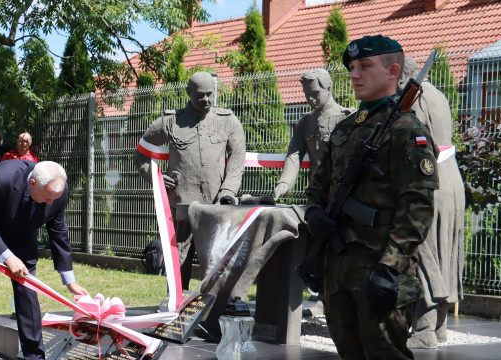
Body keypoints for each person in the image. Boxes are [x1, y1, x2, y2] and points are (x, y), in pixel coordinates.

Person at [304, 35, 438, 360]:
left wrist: (391, 264)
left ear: (394, 71)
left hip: (381, 271)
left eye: (365, 67)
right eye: (352, 68)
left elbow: (416, 207)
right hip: (341, 267)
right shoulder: (348, 128)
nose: (355, 74)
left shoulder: (407, 131)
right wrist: (316, 214)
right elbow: (320, 183)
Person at [0, 160, 89, 360]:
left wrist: (69, 280)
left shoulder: (57, 189)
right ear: (32, 182)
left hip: (23, 237)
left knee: (28, 296)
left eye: (55, 198)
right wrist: (7, 256)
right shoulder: (3, 177)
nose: (51, 202)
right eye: (47, 198)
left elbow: (58, 229)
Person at [132, 71, 247, 287]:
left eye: (209, 94)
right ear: (188, 93)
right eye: (200, 95)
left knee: (215, 259)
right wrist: (155, 177)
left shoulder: (228, 122)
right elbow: (140, 153)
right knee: (179, 258)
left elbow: (238, 159)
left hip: (215, 205)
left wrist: (228, 191)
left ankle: (211, 305)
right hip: (182, 203)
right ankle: (176, 305)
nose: (206, 100)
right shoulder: (171, 121)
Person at [399, 57, 465, 349]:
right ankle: (440, 328)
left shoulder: (415, 100)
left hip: (429, 183)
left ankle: (424, 329)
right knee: (445, 252)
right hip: (452, 179)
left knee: (423, 252)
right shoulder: (439, 95)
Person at [273, 69, 353, 199]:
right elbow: (294, 154)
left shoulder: (346, 118)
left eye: (315, 93)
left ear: (328, 88)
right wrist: (284, 183)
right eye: (307, 94)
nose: (310, 99)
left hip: (342, 193)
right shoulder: (306, 121)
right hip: (316, 193)